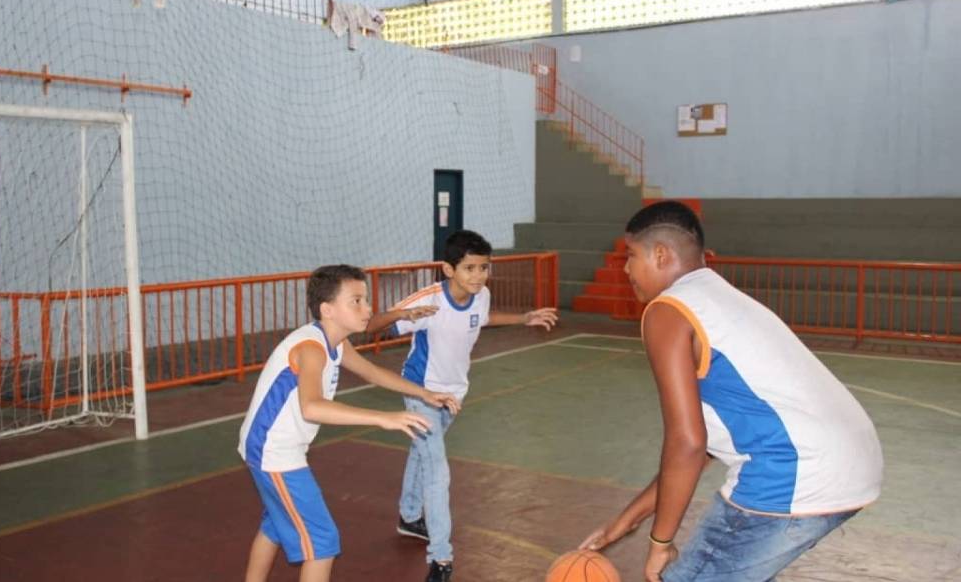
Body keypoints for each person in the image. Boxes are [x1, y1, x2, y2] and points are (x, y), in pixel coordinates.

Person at [580, 201, 883, 581]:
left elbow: (686, 444)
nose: (625, 268)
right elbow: (703, 447)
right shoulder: (719, 297)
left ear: (660, 254)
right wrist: (623, 523)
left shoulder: (668, 311)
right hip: (851, 464)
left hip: (793, 472)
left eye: (631, 256)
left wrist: (661, 541)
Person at [239, 264, 461, 582]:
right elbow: (312, 408)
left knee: (275, 524)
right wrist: (383, 418)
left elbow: (372, 372)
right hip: (273, 451)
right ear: (327, 309)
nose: (368, 308)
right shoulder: (311, 349)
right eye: (356, 301)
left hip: (270, 445)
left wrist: (425, 393)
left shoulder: (336, 342)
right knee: (323, 543)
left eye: (366, 299)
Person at [367, 230, 558, 582]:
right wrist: (402, 314)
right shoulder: (430, 300)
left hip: (455, 395)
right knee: (437, 471)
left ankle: (410, 516)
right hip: (421, 392)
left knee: (421, 454)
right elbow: (371, 326)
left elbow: (482, 318)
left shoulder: (480, 294)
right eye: (469, 268)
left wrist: (523, 318)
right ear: (448, 269)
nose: (478, 275)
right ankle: (441, 559)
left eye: (484, 267)